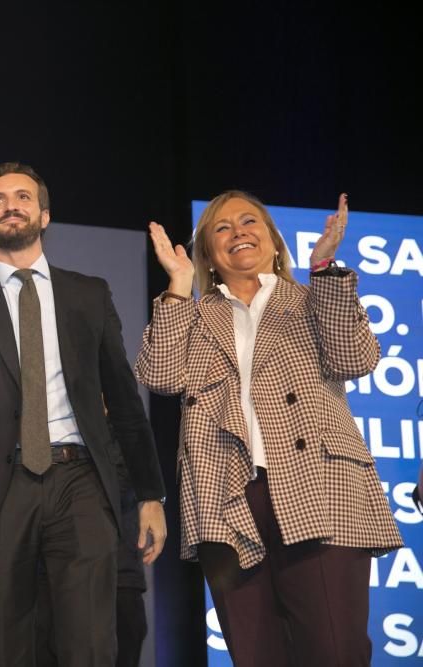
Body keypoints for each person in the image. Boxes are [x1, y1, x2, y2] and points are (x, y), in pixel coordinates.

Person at [136, 191, 403, 666]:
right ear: (209, 257)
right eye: (222, 228)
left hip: (319, 490)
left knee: (334, 651)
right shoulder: (192, 314)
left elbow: (355, 358)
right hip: (226, 496)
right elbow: (160, 376)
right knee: (256, 655)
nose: (238, 232)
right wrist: (179, 285)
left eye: (248, 222)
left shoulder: (313, 298)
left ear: (275, 243)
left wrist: (324, 268)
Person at [0, 161, 167, 665]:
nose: (10, 205)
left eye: (22, 196)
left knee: (89, 644)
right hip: (0, 485)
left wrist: (149, 493)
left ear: (45, 214)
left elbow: (123, 398)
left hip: (80, 479)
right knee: (7, 644)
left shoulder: (89, 293)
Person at [36, 419, 149, 667]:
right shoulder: (55, 431)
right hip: (56, 580)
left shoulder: (123, 428)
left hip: (120, 581)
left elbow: (123, 480)